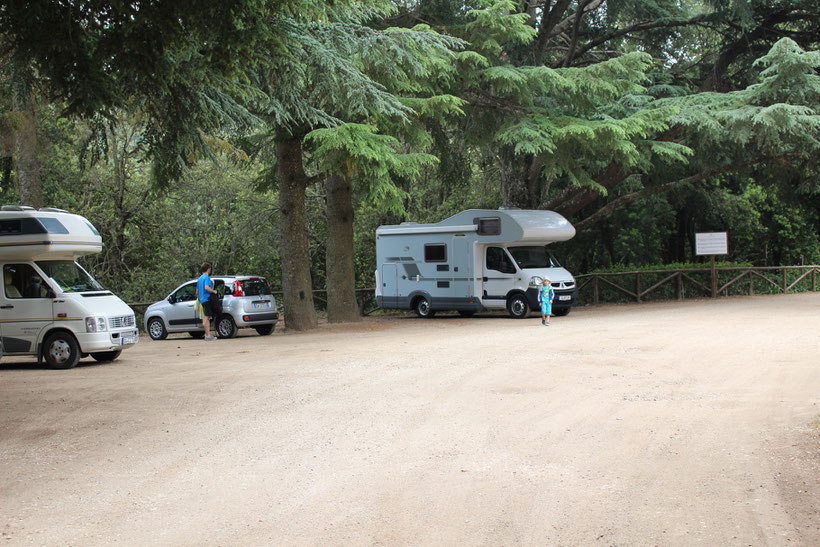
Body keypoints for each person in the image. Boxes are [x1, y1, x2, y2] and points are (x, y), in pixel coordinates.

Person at [196, 262, 218, 340]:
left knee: (207, 316)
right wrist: (214, 291)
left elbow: (197, 292)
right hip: (207, 299)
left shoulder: (199, 279)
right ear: (208, 269)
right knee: (207, 317)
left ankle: (207, 334)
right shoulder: (206, 278)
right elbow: (206, 288)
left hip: (202, 300)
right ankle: (207, 335)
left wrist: (200, 299)